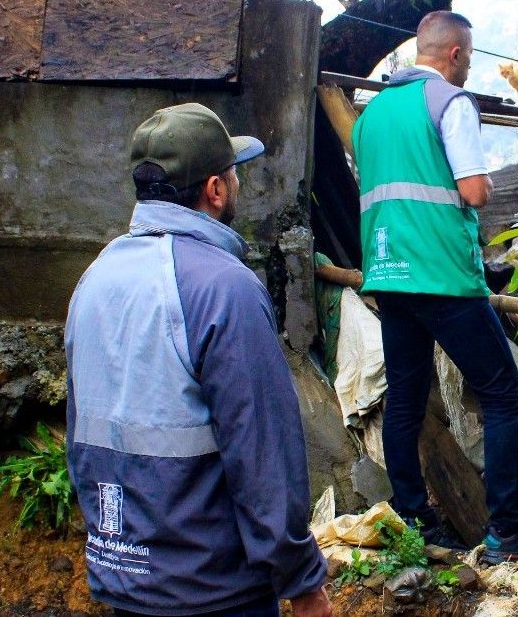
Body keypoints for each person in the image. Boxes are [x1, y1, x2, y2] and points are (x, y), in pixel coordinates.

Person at [64, 103, 331, 617]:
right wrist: (301, 578)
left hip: (125, 579)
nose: (237, 185)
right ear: (214, 190)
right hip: (215, 591)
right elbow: (262, 452)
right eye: (234, 174)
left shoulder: (94, 279)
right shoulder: (223, 286)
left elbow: (80, 436)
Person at [351, 10, 518, 562]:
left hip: (388, 277)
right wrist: (486, 183)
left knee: (403, 400)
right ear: (454, 54)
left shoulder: (370, 116)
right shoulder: (450, 103)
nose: (468, 66)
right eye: (467, 56)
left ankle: (415, 522)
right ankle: (507, 535)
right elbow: (472, 191)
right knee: (504, 396)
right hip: (443, 277)